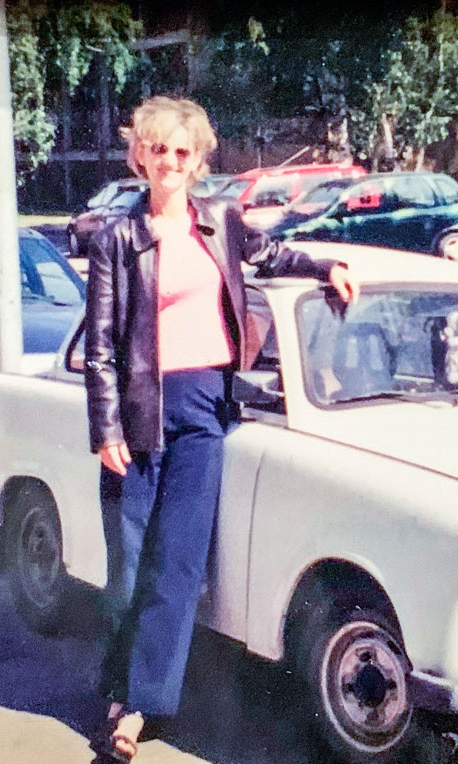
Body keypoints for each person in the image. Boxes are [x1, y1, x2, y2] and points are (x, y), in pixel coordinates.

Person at [83, 95, 358, 763]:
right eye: (158, 150)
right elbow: (100, 346)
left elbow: (273, 254)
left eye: (183, 152)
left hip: (204, 411)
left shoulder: (221, 222)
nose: (169, 163)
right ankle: (118, 685)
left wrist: (327, 267)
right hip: (138, 415)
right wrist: (107, 426)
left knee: (177, 568)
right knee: (128, 571)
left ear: (199, 161)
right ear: (138, 155)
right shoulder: (117, 239)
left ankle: (139, 707)